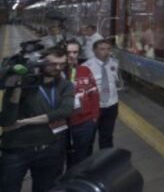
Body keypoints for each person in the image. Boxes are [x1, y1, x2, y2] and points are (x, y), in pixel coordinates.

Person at [0, 46, 74, 192]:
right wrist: (18, 87)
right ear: (40, 62)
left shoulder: (65, 85)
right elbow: (7, 121)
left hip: (50, 149)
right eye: (53, 63)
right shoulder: (24, 83)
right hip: (17, 150)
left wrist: (22, 123)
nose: (57, 68)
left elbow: (65, 111)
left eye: (62, 64)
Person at [65, 39, 100, 167]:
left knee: (83, 154)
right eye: (68, 52)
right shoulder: (57, 73)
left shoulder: (85, 70)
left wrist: (94, 117)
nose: (72, 55)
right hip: (64, 124)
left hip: (85, 122)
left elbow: (94, 94)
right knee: (67, 156)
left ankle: (82, 175)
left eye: (75, 52)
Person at [83, 38, 119, 149]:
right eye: (102, 49)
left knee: (107, 136)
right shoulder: (86, 67)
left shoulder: (114, 63)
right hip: (93, 108)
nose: (106, 52)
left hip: (111, 105)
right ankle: (88, 158)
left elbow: (115, 81)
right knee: (89, 137)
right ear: (94, 50)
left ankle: (107, 157)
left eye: (108, 49)